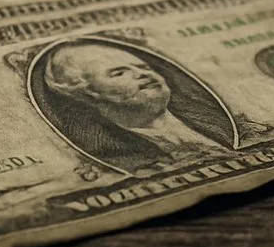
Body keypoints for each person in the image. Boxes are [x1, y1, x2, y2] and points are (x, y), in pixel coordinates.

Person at [41, 42, 231, 174]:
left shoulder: (211, 117)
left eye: (144, 67)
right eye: (119, 73)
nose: (141, 74)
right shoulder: (108, 150)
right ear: (87, 93)